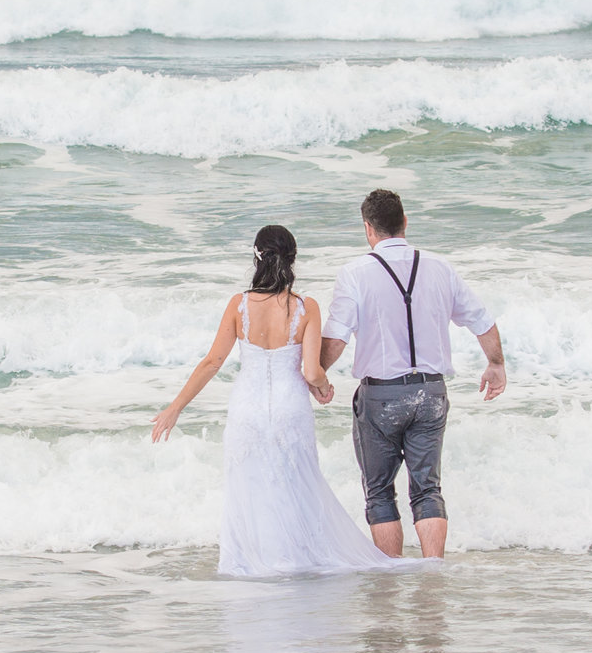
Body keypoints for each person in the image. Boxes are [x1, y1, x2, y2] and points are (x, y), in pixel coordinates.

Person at [151, 225, 406, 578]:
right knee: (294, 484)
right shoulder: (306, 307)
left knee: (250, 486)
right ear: (292, 259)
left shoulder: (238, 305)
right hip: (290, 408)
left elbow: (212, 362)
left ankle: (255, 564)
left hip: (247, 408)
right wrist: (324, 388)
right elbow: (312, 371)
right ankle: (295, 563)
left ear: (256, 256)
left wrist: (175, 407)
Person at [321, 189, 506, 559]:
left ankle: (392, 574)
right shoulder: (440, 268)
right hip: (430, 394)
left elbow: (337, 337)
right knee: (427, 490)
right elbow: (482, 322)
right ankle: (433, 573)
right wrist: (496, 364)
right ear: (405, 223)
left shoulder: (355, 273)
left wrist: (315, 375)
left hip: (380, 397)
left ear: (368, 230)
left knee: (379, 492)